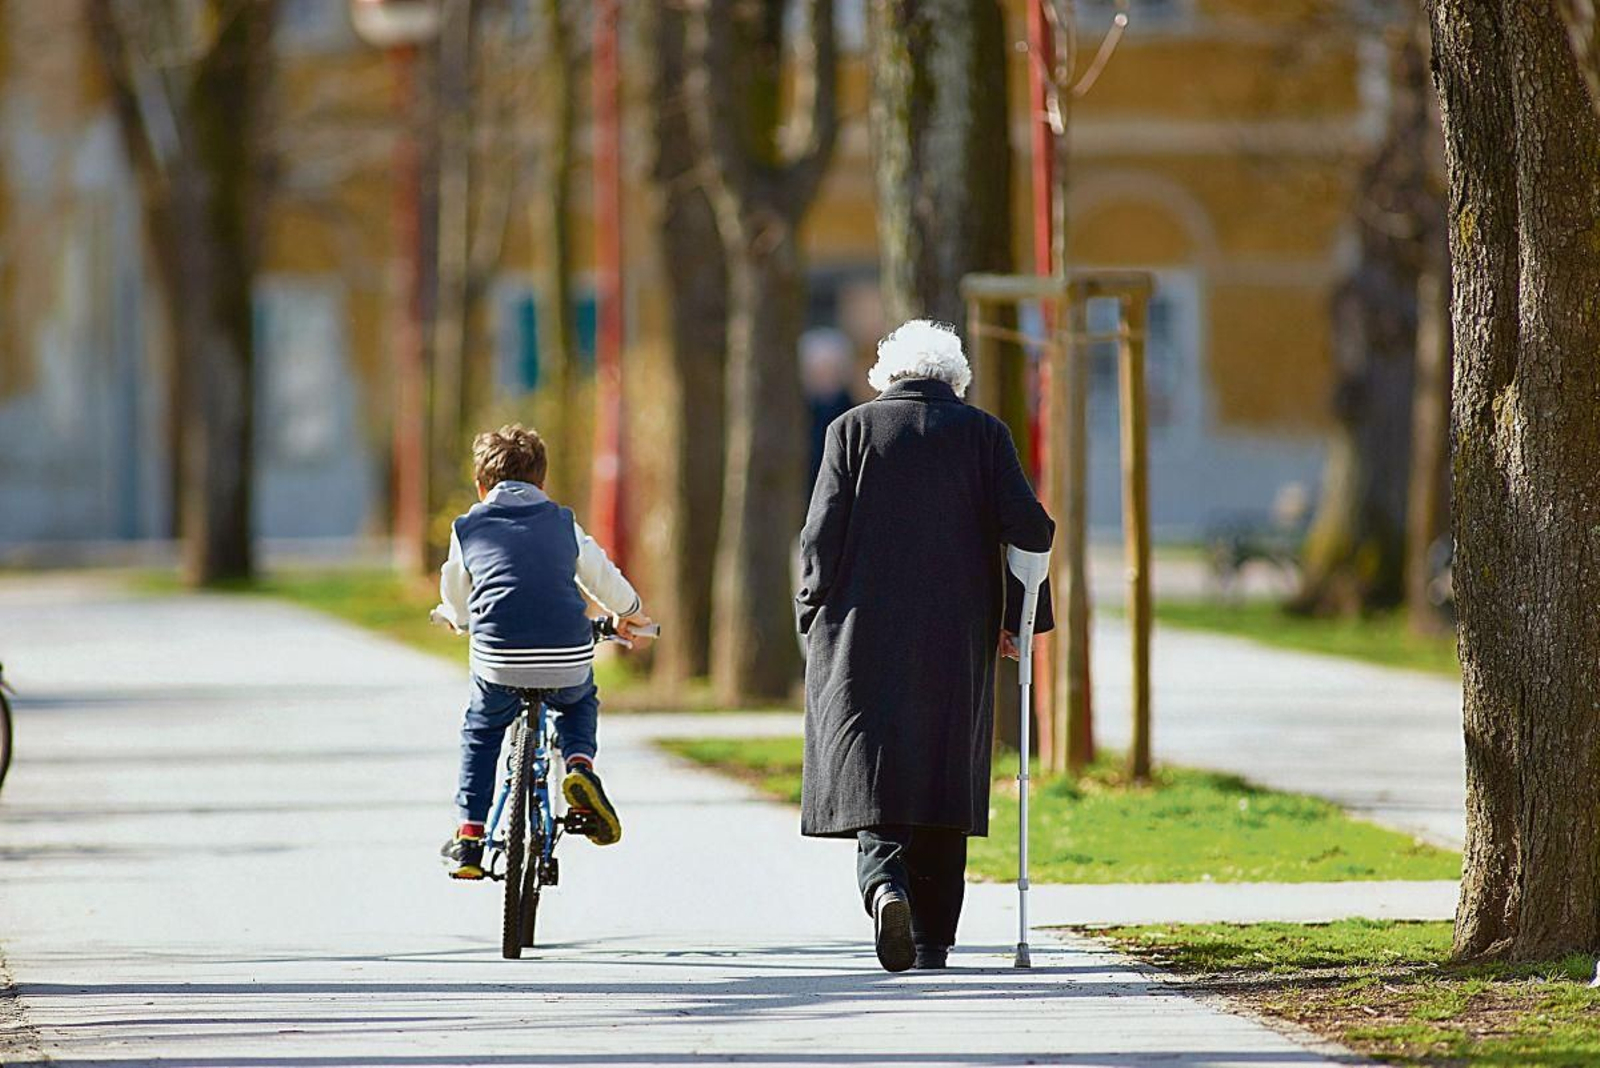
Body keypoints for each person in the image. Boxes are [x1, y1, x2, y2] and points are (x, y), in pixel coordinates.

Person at [796, 319, 1055, 973]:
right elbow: (1031, 526)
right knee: (944, 772)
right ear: (955, 380)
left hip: (863, 633)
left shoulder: (850, 431)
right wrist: (1022, 619)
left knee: (874, 771)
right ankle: (935, 939)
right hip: (955, 633)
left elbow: (820, 534)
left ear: (888, 376)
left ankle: (885, 889)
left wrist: (809, 607)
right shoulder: (984, 435)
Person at [432, 424, 654, 880]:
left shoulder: (468, 526)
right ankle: (579, 764)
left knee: (482, 730)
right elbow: (600, 574)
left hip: (499, 658)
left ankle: (470, 836)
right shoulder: (561, 522)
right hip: (566, 653)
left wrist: (456, 618)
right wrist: (629, 611)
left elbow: (456, 587)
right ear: (542, 483)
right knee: (578, 701)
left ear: (480, 485)